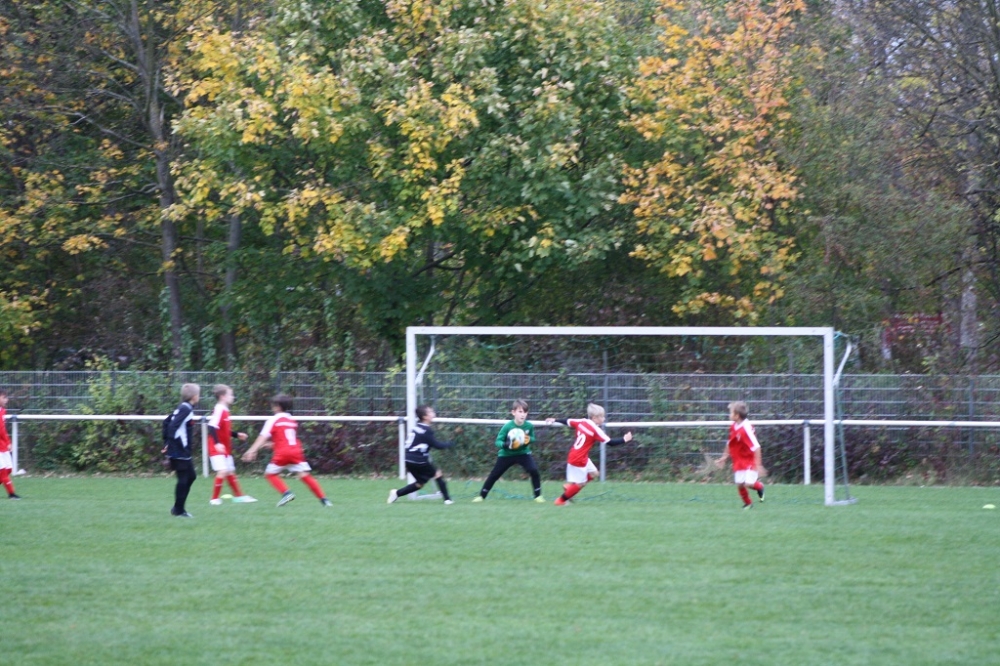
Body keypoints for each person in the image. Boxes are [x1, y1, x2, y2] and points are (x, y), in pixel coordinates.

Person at [241, 394, 332, 507]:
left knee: (270, 474)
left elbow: (262, 437)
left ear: (278, 407)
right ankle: (324, 500)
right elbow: (286, 439)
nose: (272, 407)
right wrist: (274, 445)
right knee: (304, 475)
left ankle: (287, 493)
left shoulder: (273, 420)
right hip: (296, 452)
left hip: (283, 453)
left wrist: (252, 450)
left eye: (273, 405)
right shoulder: (291, 420)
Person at [546, 403, 633, 506]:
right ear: (595, 418)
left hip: (578, 455)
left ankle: (570, 488)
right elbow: (610, 443)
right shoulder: (595, 430)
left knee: (594, 473)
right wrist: (624, 439)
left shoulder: (582, 421)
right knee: (581, 484)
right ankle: (561, 500)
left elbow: (567, 421)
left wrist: (555, 419)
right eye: (602, 417)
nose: (604, 418)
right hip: (579, 459)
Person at [473, 399, 543, 502]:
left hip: (523, 453)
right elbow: (498, 441)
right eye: (520, 411)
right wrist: (505, 445)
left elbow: (533, 438)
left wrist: (528, 440)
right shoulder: (507, 426)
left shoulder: (529, 426)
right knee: (494, 474)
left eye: (525, 412)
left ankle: (538, 496)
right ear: (513, 412)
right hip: (506, 454)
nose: (523, 414)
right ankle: (482, 496)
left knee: (534, 470)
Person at [387, 405, 454, 505]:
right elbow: (437, 445)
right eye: (430, 412)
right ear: (425, 417)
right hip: (419, 460)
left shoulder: (416, 428)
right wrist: (450, 444)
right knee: (437, 474)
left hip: (408, 460)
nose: (433, 413)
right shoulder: (427, 430)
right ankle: (447, 500)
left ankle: (396, 493)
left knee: (419, 483)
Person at [207, 384, 256, 505]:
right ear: (222, 396)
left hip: (224, 448)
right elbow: (211, 426)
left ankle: (239, 497)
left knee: (230, 471)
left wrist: (236, 435)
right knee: (223, 471)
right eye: (231, 395)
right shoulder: (219, 409)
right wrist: (217, 444)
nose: (233, 397)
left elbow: (223, 430)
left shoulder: (225, 410)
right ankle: (214, 499)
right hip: (216, 447)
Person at [715, 400, 767, 509]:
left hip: (750, 459)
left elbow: (757, 447)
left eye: (731, 412)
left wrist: (758, 465)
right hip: (739, 460)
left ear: (737, 415)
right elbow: (730, 442)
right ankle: (748, 504)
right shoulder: (733, 426)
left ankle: (759, 487)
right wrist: (724, 457)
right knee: (739, 484)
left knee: (748, 484)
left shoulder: (746, 428)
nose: (729, 415)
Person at [163, 383, 200, 517]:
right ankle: (178, 510)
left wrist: (167, 443)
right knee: (184, 478)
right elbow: (172, 426)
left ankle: (178, 508)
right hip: (179, 450)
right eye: (198, 394)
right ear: (194, 396)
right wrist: (170, 444)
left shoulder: (184, 407)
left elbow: (166, 422)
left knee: (191, 476)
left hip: (181, 450)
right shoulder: (186, 409)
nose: (199, 396)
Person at [0, 390, 21, 500]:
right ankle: (11, 494)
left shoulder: (3, 411)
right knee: (3, 471)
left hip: (2, 444)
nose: (6, 400)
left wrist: (7, 442)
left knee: (9, 469)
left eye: (6, 398)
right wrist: (8, 442)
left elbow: (2, 430)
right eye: (4, 397)